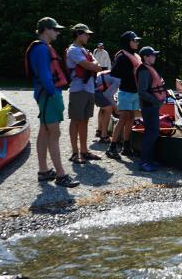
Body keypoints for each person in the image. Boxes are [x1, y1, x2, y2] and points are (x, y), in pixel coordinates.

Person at [24, 17, 79, 187]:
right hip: (49, 94)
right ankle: (61, 175)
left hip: (44, 95)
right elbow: (45, 75)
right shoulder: (41, 49)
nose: (57, 32)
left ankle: (43, 171)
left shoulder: (41, 47)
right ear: (46, 29)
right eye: (55, 29)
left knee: (44, 131)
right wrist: (52, 94)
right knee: (54, 134)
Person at [66, 24, 103, 163]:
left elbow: (97, 66)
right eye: (86, 34)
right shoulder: (73, 50)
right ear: (78, 34)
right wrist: (94, 64)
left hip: (88, 89)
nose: (88, 36)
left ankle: (84, 151)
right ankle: (75, 153)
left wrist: (94, 64)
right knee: (76, 120)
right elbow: (90, 66)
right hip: (78, 90)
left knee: (85, 121)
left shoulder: (85, 50)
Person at [106, 31, 142, 160]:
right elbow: (115, 73)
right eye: (135, 40)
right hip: (125, 92)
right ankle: (112, 146)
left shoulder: (135, 56)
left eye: (137, 40)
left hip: (134, 92)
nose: (137, 42)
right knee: (123, 118)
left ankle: (127, 146)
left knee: (131, 118)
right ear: (128, 42)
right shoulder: (122, 57)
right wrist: (127, 74)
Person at [135, 46, 167, 172]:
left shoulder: (149, 69)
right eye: (152, 55)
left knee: (153, 133)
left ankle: (149, 160)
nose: (154, 57)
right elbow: (142, 92)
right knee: (150, 133)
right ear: (145, 57)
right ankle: (144, 162)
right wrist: (156, 102)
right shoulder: (143, 70)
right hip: (149, 106)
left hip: (152, 106)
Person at [94, 69, 120, 143]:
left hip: (93, 88)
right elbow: (108, 95)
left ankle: (99, 130)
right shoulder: (118, 80)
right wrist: (115, 108)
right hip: (95, 91)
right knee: (109, 108)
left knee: (103, 108)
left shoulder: (112, 72)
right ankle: (104, 136)